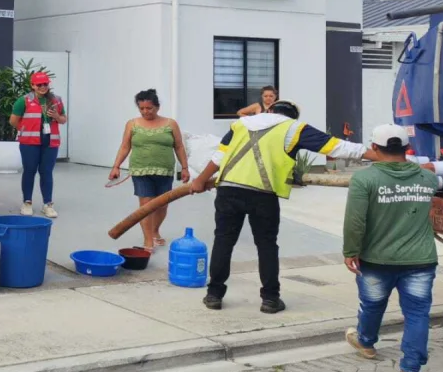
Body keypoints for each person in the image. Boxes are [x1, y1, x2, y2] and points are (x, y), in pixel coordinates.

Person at [190, 99, 376, 313]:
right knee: (267, 246)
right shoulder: (294, 128)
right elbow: (338, 146)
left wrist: (200, 180)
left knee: (223, 241)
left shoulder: (241, 124)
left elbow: (218, 156)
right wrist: (379, 155)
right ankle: (270, 299)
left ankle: (214, 295)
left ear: (270, 109)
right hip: (263, 195)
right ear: (293, 116)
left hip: (229, 190)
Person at [343, 124, 439, 372]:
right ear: (407, 148)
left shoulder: (365, 179)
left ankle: (366, 343)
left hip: (376, 259)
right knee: (417, 314)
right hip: (420, 260)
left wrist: (351, 251)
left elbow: (355, 221)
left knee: (373, 305)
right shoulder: (428, 179)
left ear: (374, 148)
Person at [108, 89, 191, 251]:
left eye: (149, 108)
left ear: (157, 107)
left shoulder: (170, 124)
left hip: (165, 170)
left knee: (162, 205)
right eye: (142, 109)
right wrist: (116, 166)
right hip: (141, 170)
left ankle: (155, 231)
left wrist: (185, 168)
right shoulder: (132, 124)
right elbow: (125, 146)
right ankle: (148, 240)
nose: (146, 111)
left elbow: (179, 146)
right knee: (145, 205)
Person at [9, 72, 67, 218]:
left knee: (46, 172)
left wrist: (56, 117)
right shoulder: (23, 101)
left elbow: (63, 119)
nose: (42, 87)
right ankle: (27, 202)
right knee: (29, 171)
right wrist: (24, 130)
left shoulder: (57, 100)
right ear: (32, 85)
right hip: (29, 142)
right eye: (39, 84)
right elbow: (13, 121)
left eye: (45, 84)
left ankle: (48, 204)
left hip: (50, 142)